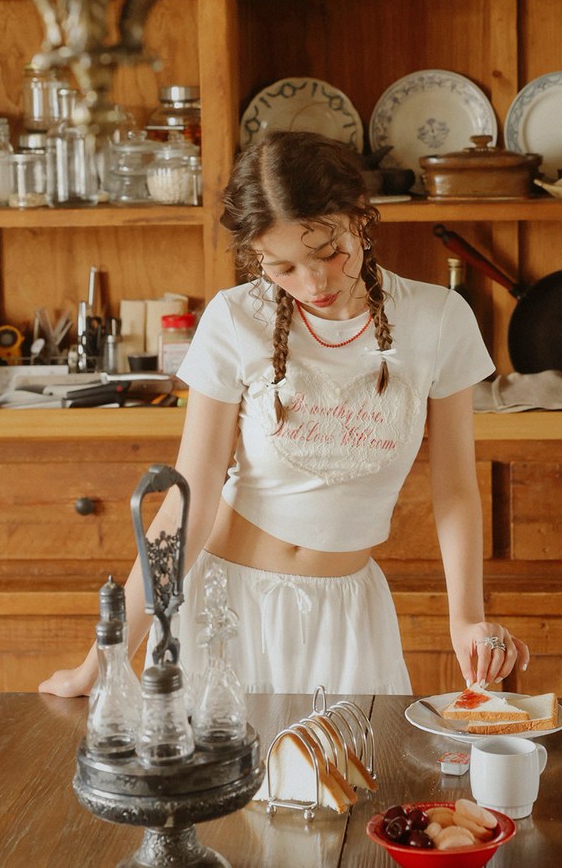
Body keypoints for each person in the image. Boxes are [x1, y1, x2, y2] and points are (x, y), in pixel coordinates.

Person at [39, 130, 529, 699]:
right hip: (224, 606)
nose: (314, 283)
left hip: (348, 615)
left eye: (328, 252)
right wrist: (105, 657)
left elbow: (456, 491)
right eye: (283, 267)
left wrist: (465, 618)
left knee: (347, 787)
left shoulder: (439, 319)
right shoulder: (234, 318)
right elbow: (186, 503)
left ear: (360, 218)